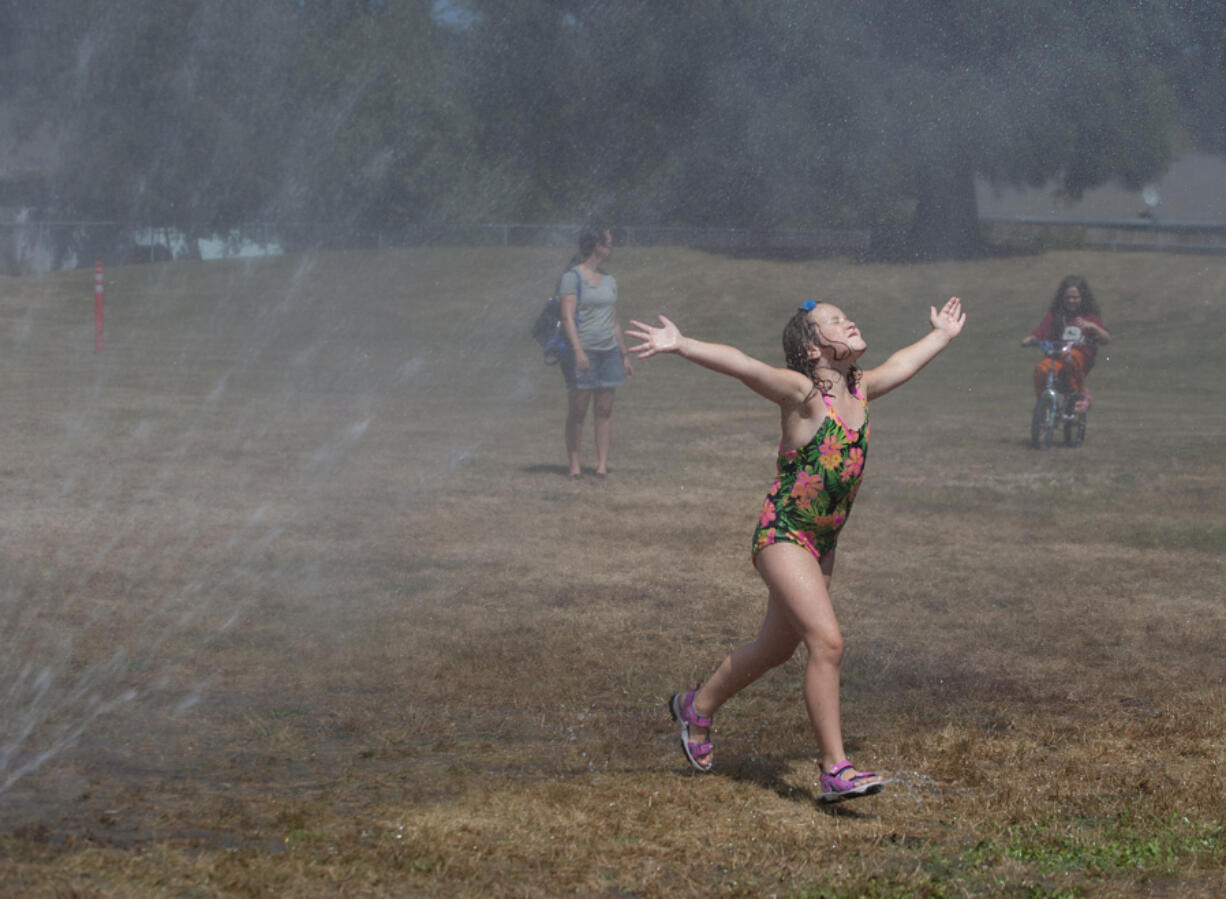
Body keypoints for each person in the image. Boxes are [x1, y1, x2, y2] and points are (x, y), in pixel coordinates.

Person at [626, 295, 966, 803]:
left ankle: (696, 707)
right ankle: (835, 770)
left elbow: (903, 362)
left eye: (845, 315)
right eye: (832, 321)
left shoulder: (861, 386)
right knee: (827, 644)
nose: (847, 320)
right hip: (784, 534)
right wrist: (681, 345)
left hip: (822, 542)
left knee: (776, 648)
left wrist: (941, 334)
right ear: (811, 349)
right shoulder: (804, 394)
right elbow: (745, 366)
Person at [557, 225, 634, 478]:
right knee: (578, 411)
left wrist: (624, 356)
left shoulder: (610, 280)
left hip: (609, 352)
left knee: (604, 410)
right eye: (609, 243)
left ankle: (601, 466)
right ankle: (575, 465)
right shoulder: (572, 277)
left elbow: (614, 321)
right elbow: (567, 318)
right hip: (584, 351)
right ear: (597, 246)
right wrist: (578, 351)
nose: (612, 248)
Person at [1020, 275, 1111, 412]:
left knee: (1070, 356)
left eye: (1075, 297)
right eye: (1068, 297)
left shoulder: (1089, 316)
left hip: (1079, 358)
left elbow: (1106, 339)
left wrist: (1093, 327)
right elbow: (1041, 331)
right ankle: (1044, 408)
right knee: (1041, 370)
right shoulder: (1056, 315)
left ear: (1083, 297)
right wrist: (1030, 339)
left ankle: (1081, 393)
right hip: (1057, 357)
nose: (1071, 301)